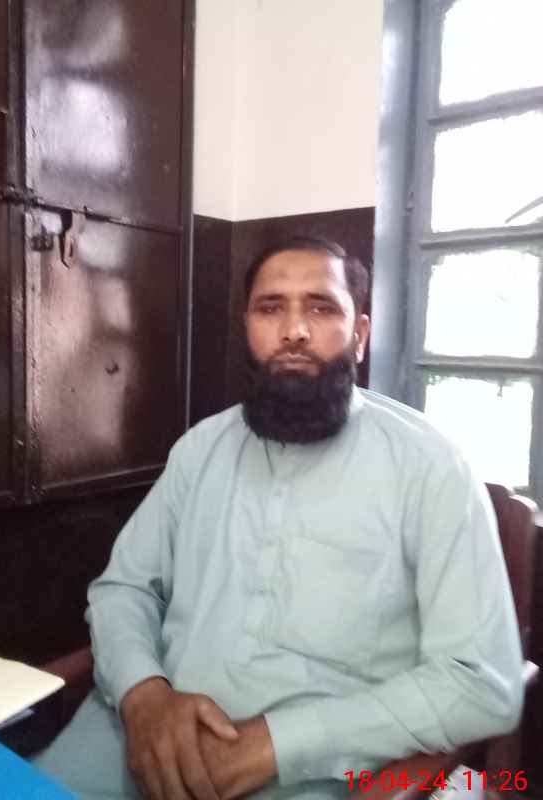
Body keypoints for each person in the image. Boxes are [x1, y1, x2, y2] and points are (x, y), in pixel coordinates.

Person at [34, 236, 524, 800]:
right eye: (271, 308)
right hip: (139, 736)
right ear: (247, 328)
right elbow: (124, 589)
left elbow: (480, 681)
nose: (294, 330)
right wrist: (143, 694)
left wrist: (278, 744)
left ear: (360, 335)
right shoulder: (200, 449)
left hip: (313, 771)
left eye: (321, 308)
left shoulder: (431, 468)